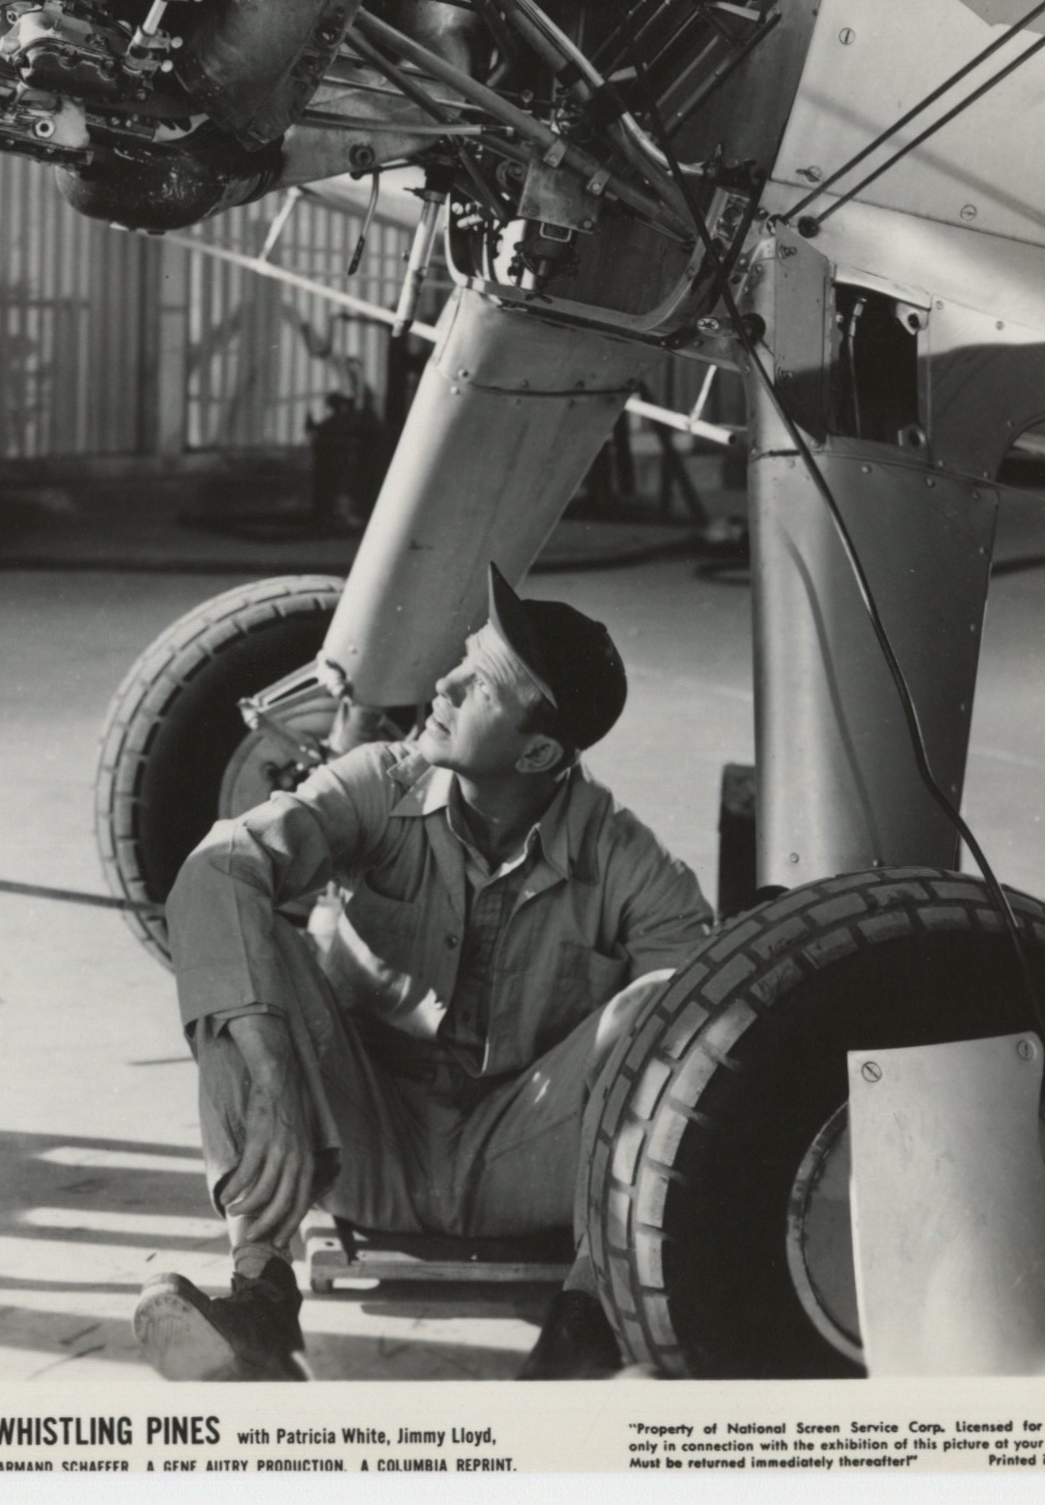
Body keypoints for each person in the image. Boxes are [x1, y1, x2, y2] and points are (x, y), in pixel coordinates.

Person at [135, 566, 715, 1383]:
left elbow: (704, 1020)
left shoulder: (623, 856)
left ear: (540, 749)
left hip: (523, 1157)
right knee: (247, 946)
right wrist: (269, 1070)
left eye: (478, 684)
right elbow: (218, 869)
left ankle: (589, 1319)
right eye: (460, 661)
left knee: (666, 1007)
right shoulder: (380, 781)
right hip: (358, 1136)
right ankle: (258, 1295)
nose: (441, 684)